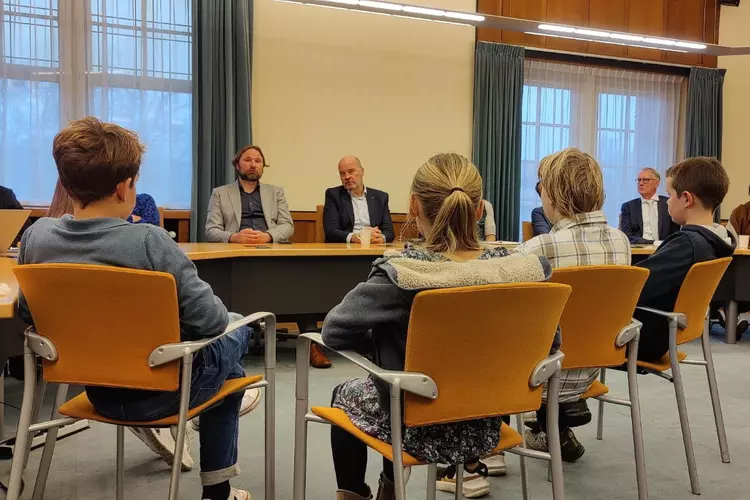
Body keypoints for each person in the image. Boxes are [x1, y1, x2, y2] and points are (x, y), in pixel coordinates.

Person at [17, 117, 259, 500]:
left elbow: (30, 315)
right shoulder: (151, 241)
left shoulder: (36, 237)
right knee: (238, 327)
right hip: (162, 393)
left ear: (65, 183)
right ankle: (218, 491)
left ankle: (227, 401)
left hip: (97, 391)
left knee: (225, 360)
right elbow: (209, 322)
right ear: (124, 187)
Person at [321, 153, 554, 500]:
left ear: (414, 206)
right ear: (479, 210)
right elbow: (549, 344)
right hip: (487, 427)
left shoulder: (402, 274)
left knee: (346, 394)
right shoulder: (522, 271)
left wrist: (382, 342)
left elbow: (334, 331)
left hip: (417, 427)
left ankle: (366, 493)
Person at [515, 147, 631, 463]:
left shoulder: (539, 247)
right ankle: (552, 426)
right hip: (592, 367)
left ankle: (483, 457)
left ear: (552, 194)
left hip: (539, 375)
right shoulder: (621, 241)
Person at [634, 157, 734, 362]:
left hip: (643, 337)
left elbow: (637, 287)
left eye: (670, 195)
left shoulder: (687, 244)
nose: (667, 200)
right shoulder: (718, 240)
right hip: (669, 331)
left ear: (687, 199)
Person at [205, 145, 294, 244]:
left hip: (269, 249)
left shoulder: (276, 192)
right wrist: (234, 237)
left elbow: (287, 225)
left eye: (258, 161)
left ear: (262, 167)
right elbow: (211, 230)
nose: (253, 165)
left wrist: (268, 236)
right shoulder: (219, 193)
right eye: (247, 160)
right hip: (234, 250)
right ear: (237, 166)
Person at [323, 156, 395, 244]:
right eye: (342, 173)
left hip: (374, 247)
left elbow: (389, 232)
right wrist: (356, 237)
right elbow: (331, 232)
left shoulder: (380, 197)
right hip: (346, 249)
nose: (347, 177)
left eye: (351, 171)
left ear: (362, 171)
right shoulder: (333, 195)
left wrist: (380, 238)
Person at [620, 167, 680, 244]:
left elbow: (676, 232)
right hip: (639, 251)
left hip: (665, 250)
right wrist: (653, 242)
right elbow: (627, 236)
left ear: (657, 183)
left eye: (645, 180)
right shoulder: (628, 207)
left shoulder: (669, 203)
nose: (641, 183)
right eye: (639, 180)